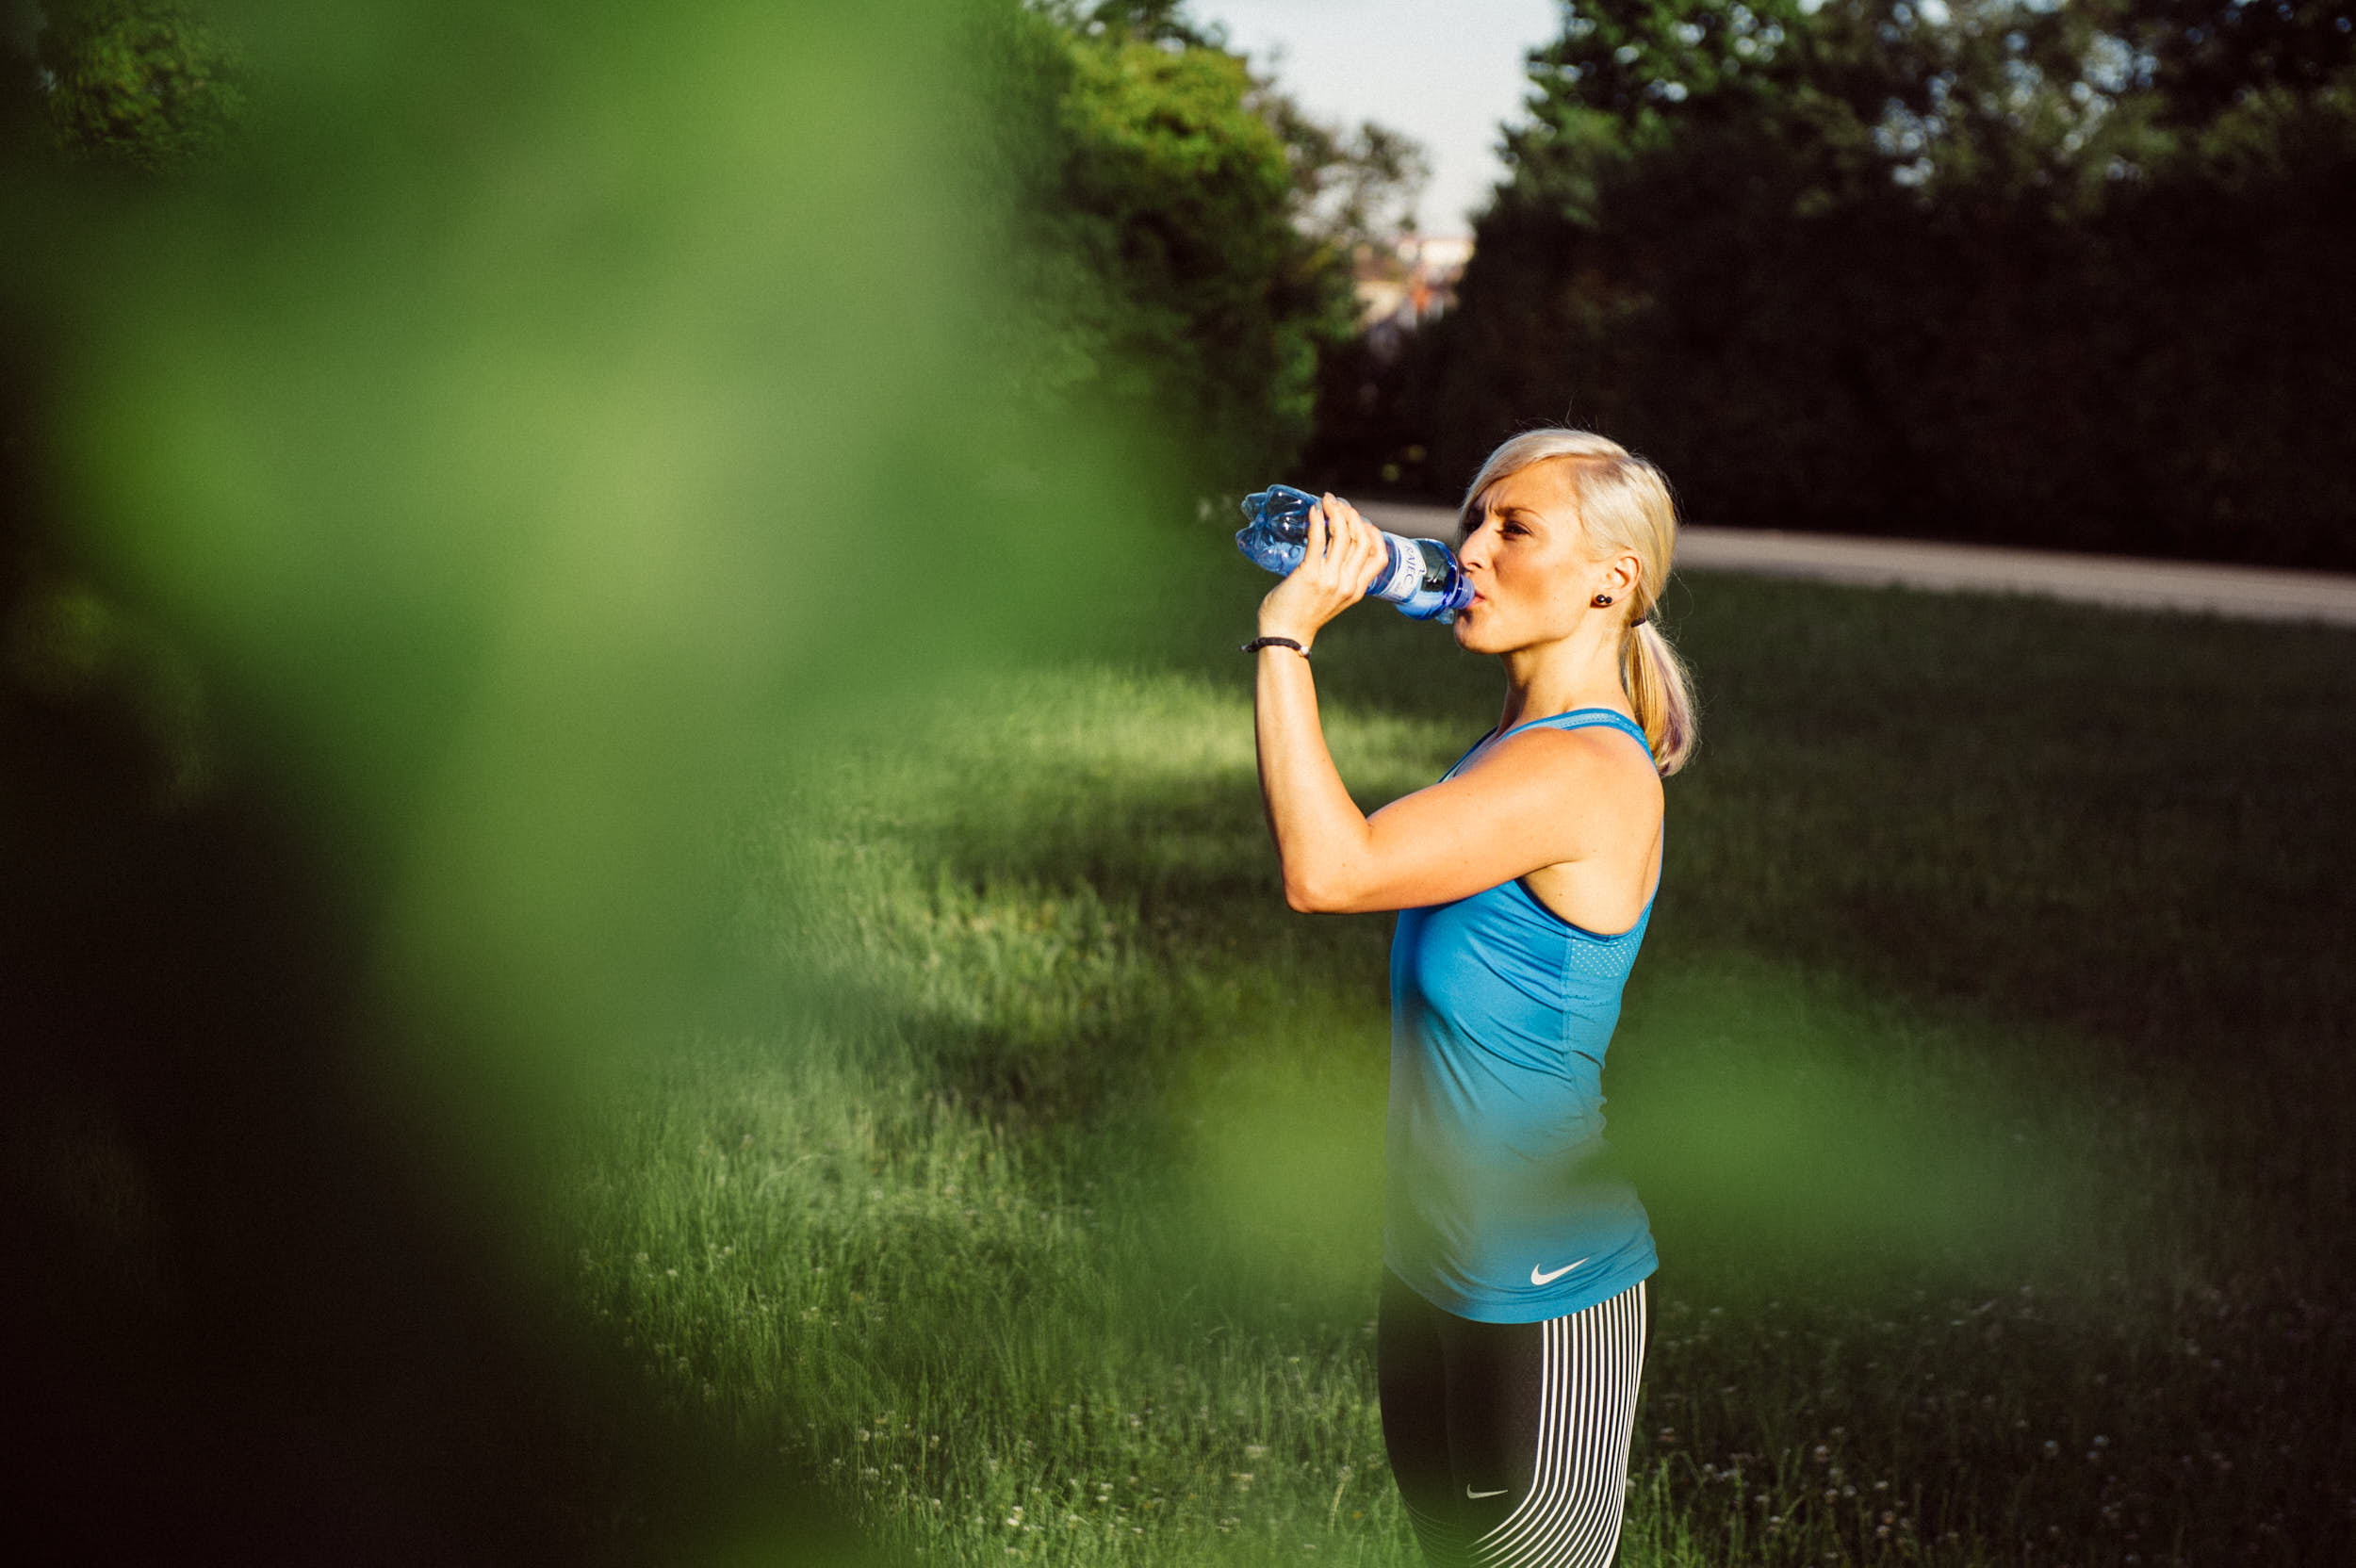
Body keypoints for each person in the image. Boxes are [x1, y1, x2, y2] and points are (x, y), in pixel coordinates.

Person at [1246, 429, 1697, 1568]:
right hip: (1430, 1260)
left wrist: (1286, 632)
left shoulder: (1582, 769)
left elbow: (1329, 870)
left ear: (1612, 577)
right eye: (1472, 522)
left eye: (1516, 527)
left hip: (1542, 1288)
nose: (1472, 550)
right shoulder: (1513, 745)